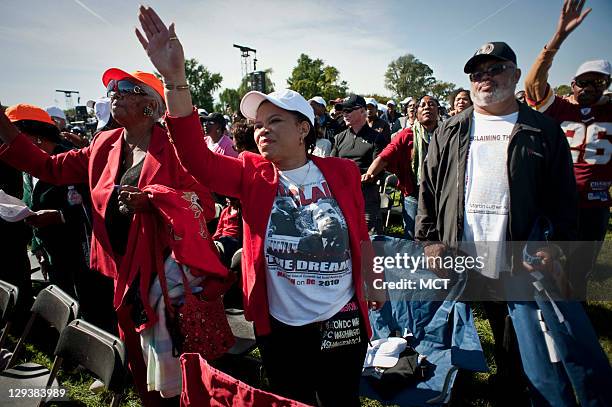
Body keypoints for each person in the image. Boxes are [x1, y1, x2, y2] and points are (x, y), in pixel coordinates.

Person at [134, 7, 380, 405]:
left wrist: (372, 278)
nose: (262, 130)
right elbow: (197, 158)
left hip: (342, 316)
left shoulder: (342, 172)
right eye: (258, 124)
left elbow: (359, 231)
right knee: (291, 398)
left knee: (341, 398)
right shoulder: (252, 174)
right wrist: (174, 80)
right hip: (281, 324)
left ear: (304, 128)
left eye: (275, 121)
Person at [0, 69, 224, 406]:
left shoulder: (176, 149)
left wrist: (154, 201)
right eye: (110, 87)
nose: (113, 92)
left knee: (178, 365)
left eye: (125, 87)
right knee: (137, 357)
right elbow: (50, 168)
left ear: (151, 106)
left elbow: (205, 206)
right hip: (122, 271)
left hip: (166, 277)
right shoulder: (103, 144)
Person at [417, 40, 612, 406]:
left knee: (525, 336)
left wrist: (552, 244)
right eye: (477, 73)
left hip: (520, 255)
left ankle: (521, 385)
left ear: (516, 74)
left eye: (495, 69)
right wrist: (428, 240)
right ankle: (487, 384)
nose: (485, 79)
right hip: (465, 252)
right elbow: (428, 187)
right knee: (479, 323)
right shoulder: (451, 130)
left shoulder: (542, 129)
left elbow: (563, 198)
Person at [524, 0, 612, 300]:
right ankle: (548, 316)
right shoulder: (560, 107)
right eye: (583, 81)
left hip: (595, 205)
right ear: (572, 84)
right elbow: (533, 84)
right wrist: (558, 37)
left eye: (598, 81)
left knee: (580, 268)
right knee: (545, 263)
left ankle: (575, 317)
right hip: (558, 201)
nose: (589, 87)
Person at [6, 105, 89, 301]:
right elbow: (31, 205)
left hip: (79, 256)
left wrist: (60, 216)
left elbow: (94, 206)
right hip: (52, 254)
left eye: (14, 136)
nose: (9, 143)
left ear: (36, 134)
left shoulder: (71, 160)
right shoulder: (26, 168)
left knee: (87, 309)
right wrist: (37, 247)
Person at [331, 94, 389, 234]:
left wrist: (368, 176)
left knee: (370, 241)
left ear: (362, 111)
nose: (344, 114)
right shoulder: (339, 138)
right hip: (342, 197)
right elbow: (332, 166)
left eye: (348, 110)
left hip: (366, 197)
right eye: (343, 110)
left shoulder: (377, 138)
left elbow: (379, 170)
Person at [362, 126, 417, 239]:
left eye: (432, 106)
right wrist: (370, 173)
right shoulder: (407, 134)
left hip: (438, 192)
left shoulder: (442, 131)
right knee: (412, 232)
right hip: (413, 191)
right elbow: (386, 155)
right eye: (423, 106)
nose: (428, 108)